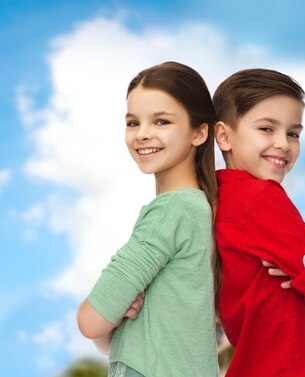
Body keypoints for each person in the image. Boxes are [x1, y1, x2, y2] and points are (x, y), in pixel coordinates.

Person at [76, 61, 219, 377]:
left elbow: (91, 321)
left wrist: (110, 313)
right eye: (132, 123)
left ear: (199, 132)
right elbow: (107, 338)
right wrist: (115, 316)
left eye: (161, 121)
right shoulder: (201, 208)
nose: (142, 134)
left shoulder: (171, 212)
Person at [213, 68, 305, 377]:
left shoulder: (218, 202)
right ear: (223, 135)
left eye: (293, 133)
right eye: (266, 128)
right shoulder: (263, 199)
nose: (283, 144)